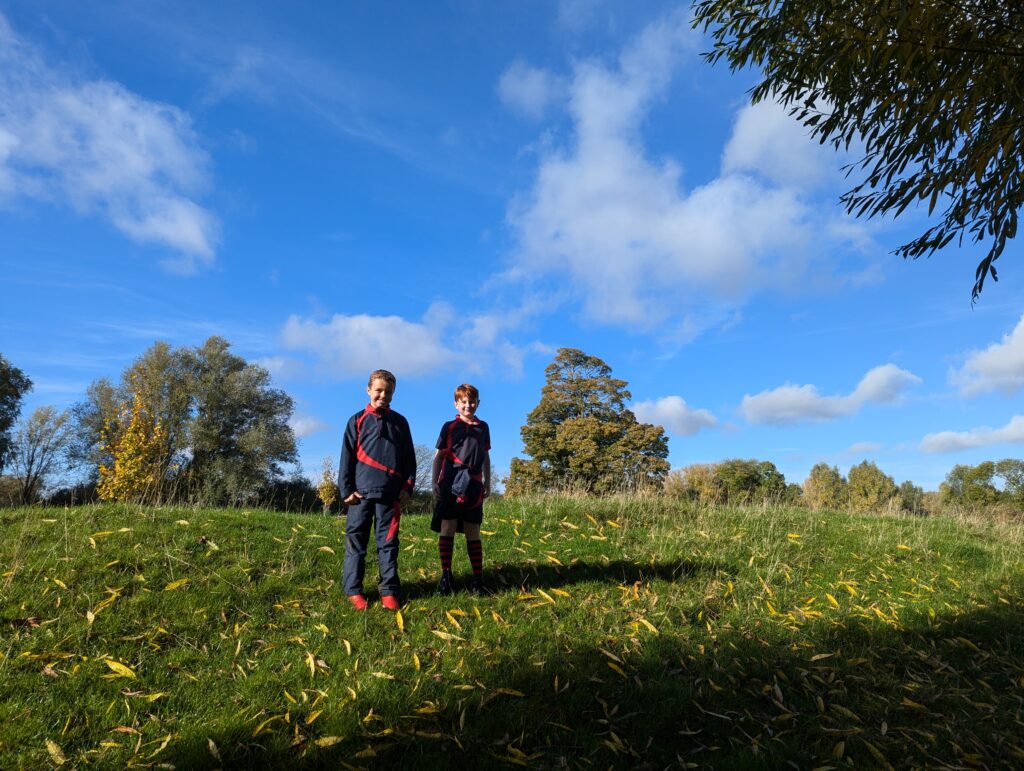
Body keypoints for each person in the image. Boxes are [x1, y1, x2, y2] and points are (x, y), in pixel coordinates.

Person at [338, 369, 416, 611]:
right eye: (379, 390)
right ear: (369, 390)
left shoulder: (400, 423)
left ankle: (389, 591)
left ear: (393, 394)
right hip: (360, 496)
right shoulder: (356, 420)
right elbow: (346, 457)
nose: (383, 395)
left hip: (390, 496)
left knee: (389, 544)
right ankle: (353, 590)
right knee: (356, 544)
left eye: (388, 391)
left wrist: (407, 488)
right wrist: (346, 489)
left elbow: (409, 460)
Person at [431, 383, 491, 595]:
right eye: (463, 402)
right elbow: (439, 457)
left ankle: (477, 579)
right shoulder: (449, 427)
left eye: (472, 401)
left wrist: (487, 481)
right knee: (447, 527)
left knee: (472, 529)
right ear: (456, 404)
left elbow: (485, 455)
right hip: (450, 481)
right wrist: (434, 482)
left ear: (478, 403)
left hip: (473, 484)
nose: (468, 405)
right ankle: (446, 576)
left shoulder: (483, 428)